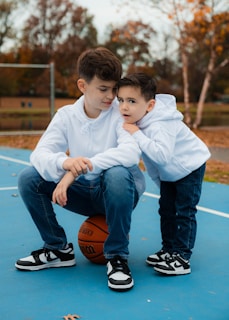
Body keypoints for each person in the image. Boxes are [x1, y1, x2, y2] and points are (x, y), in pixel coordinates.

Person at [15, 48, 145, 291]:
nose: (111, 96)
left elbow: (130, 153)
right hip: (85, 192)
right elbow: (40, 154)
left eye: (114, 89)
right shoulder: (66, 115)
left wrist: (75, 171)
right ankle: (57, 249)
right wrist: (65, 163)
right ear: (82, 86)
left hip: (119, 190)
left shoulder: (121, 113)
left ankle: (117, 257)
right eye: (103, 89)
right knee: (28, 178)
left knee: (116, 173)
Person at [117, 72, 211, 275]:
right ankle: (168, 249)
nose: (124, 106)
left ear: (149, 105)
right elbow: (152, 163)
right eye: (121, 100)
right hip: (170, 173)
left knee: (184, 211)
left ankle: (182, 257)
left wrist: (136, 134)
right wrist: (161, 182)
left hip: (190, 167)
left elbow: (161, 156)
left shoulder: (161, 123)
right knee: (166, 209)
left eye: (131, 101)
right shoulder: (139, 121)